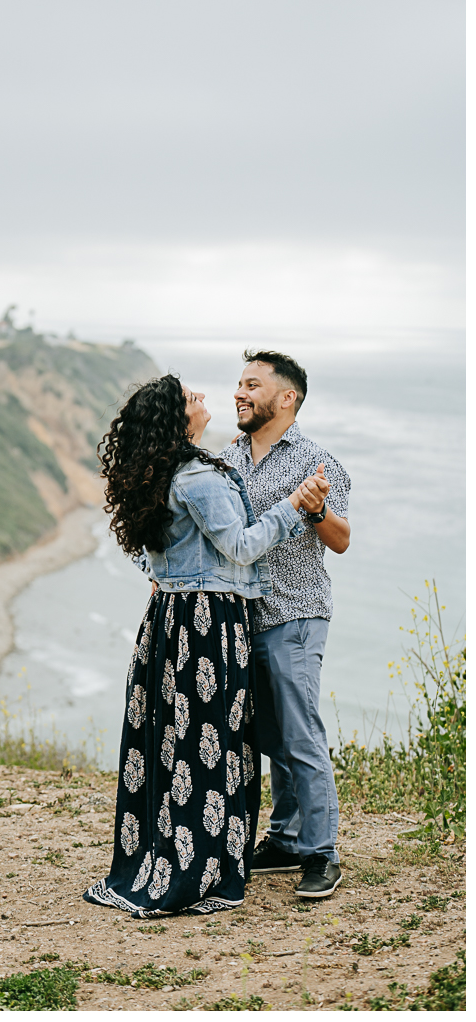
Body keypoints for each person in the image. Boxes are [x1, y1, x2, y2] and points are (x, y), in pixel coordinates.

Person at [83, 374, 328, 918]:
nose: (203, 400)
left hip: (168, 619)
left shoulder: (158, 474)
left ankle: (164, 852)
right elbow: (241, 547)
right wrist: (291, 507)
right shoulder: (198, 475)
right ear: (179, 420)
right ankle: (204, 865)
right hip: (208, 623)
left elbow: (148, 556)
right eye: (192, 399)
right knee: (208, 740)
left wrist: (168, 576)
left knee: (172, 741)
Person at [217, 349, 351, 899]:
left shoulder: (316, 461)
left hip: (295, 614)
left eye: (252, 385)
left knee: (300, 734)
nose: (239, 394)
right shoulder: (230, 456)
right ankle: (286, 837)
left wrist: (316, 510)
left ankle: (322, 854)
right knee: (270, 735)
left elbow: (340, 539)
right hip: (242, 619)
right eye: (239, 384)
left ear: (286, 397)